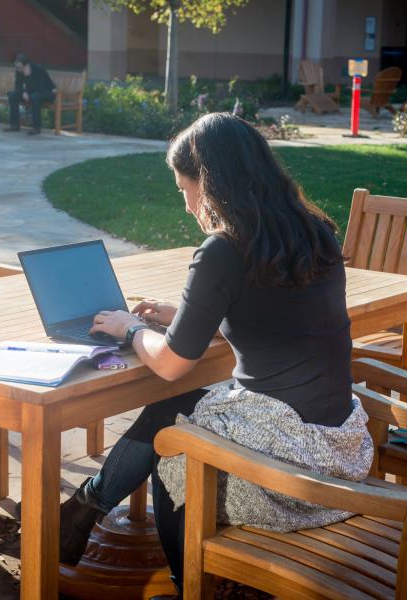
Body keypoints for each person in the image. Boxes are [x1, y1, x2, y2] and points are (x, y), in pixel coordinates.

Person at [43, 112, 373, 595]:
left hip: (293, 473)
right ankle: (83, 511)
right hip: (341, 445)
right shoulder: (312, 231)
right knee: (173, 410)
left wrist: (131, 328)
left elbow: (173, 364)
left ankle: (189, 588)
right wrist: (187, 312)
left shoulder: (223, 248)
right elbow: (273, 310)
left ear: (211, 182)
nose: (185, 204)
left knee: (173, 454)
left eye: (183, 188)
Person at [5, 54, 56, 135]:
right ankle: (14, 125)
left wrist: (28, 77)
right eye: (17, 67)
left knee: (34, 97)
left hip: (47, 93)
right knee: (12, 95)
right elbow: (18, 87)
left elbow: (39, 88)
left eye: (20, 68)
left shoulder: (38, 69)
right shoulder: (19, 70)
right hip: (32, 92)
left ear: (27, 65)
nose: (18, 70)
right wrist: (24, 92)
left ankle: (36, 127)